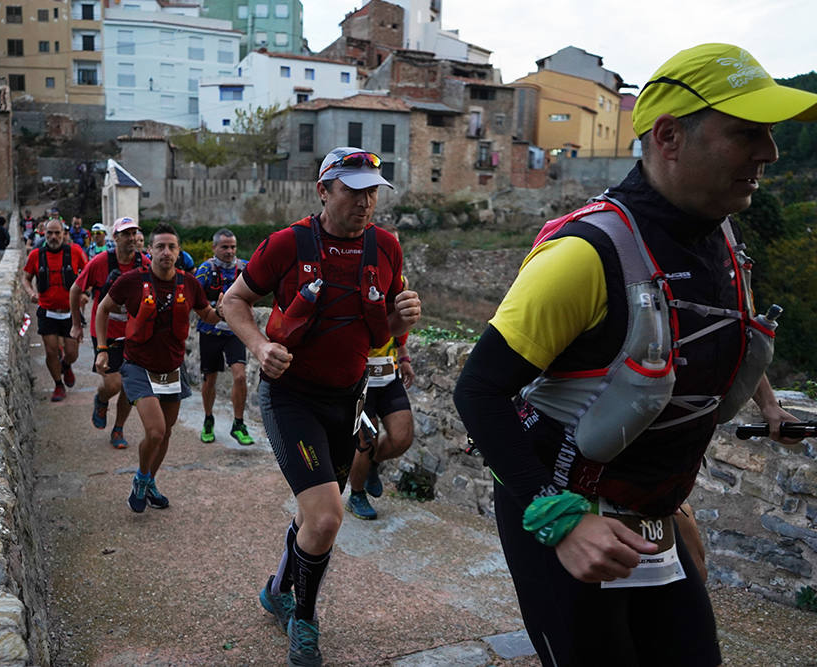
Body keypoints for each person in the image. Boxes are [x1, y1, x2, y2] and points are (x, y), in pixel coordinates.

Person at [452, 43, 816, 667]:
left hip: (653, 518)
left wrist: (770, 403)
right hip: (566, 520)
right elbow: (478, 391)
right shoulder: (584, 256)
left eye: (772, 134)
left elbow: (725, 336)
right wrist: (559, 520)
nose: (770, 153)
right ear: (670, 136)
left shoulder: (723, 240)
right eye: (747, 133)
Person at [223, 147, 421, 666]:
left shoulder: (386, 247)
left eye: (372, 190)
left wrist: (403, 322)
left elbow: (384, 329)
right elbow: (233, 301)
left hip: (348, 399)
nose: (365, 201)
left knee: (316, 517)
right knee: (329, 517)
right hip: (292, 397)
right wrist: (260, 347)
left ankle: (275, 590)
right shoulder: (289, 244)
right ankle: (304, 620)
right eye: (353, 189)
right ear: (324, 190)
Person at [96, 222, 221, 512]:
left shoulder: (189, 284)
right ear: (149, 250)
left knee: (165, 433)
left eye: (172, 247)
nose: (166, 252)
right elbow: (103, 309)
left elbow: (207, 315)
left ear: (179, 252)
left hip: (172, 369)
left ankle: (150, 481)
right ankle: (141, 478)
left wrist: (223, 311)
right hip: (138, 366)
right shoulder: (130, 281)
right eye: (160, 246)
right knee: (155, 431)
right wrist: (102, 350)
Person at [345, 225, 416, 520]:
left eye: (396, 248)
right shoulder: (355, 278)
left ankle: (372, 464)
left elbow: (399, 325)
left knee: (402, 437)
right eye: (388, 248)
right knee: (365, 442)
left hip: (388, 374)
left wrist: (403, 355)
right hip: (359, 379)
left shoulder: (399, 281)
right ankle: (357, 494)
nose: (393, 253)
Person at [70, 216, 145, 449]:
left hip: (134, 334)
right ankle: (101, 399)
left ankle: (118, 428)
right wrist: (76, 324)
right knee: (113, 384)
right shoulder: (101, 262)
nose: (132, 238)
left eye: (135, 233)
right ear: (116, 238)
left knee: (130, 386)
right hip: (105, 332)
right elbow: (75, 290)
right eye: (126, 233)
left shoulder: (144, 263)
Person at [194, 228, 253, 445]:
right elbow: (194, 299)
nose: (229, 251)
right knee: (210, 378)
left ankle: (238, 423)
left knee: (240, 376)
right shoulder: (205, 270)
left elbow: (256, 292)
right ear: (214, 248)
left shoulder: (244, 268)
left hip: (236, 332)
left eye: (233, 247)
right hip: (210, 331)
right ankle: (208, 419)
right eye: (224, 247)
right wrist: (214, 311)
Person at [22, 217, 88, 402]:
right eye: (49, 233)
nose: (53, 236)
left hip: (70, 312)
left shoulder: (74, 252)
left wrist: (86, 293)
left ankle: (66, 366)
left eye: (57, 233)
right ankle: (58, 385)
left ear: (63, 234)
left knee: (72, 352)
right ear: (44, 234)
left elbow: (88, 272)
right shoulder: (36, 255)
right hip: (47, 312)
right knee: (51, 351)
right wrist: (30, 292)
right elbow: (26, 278)